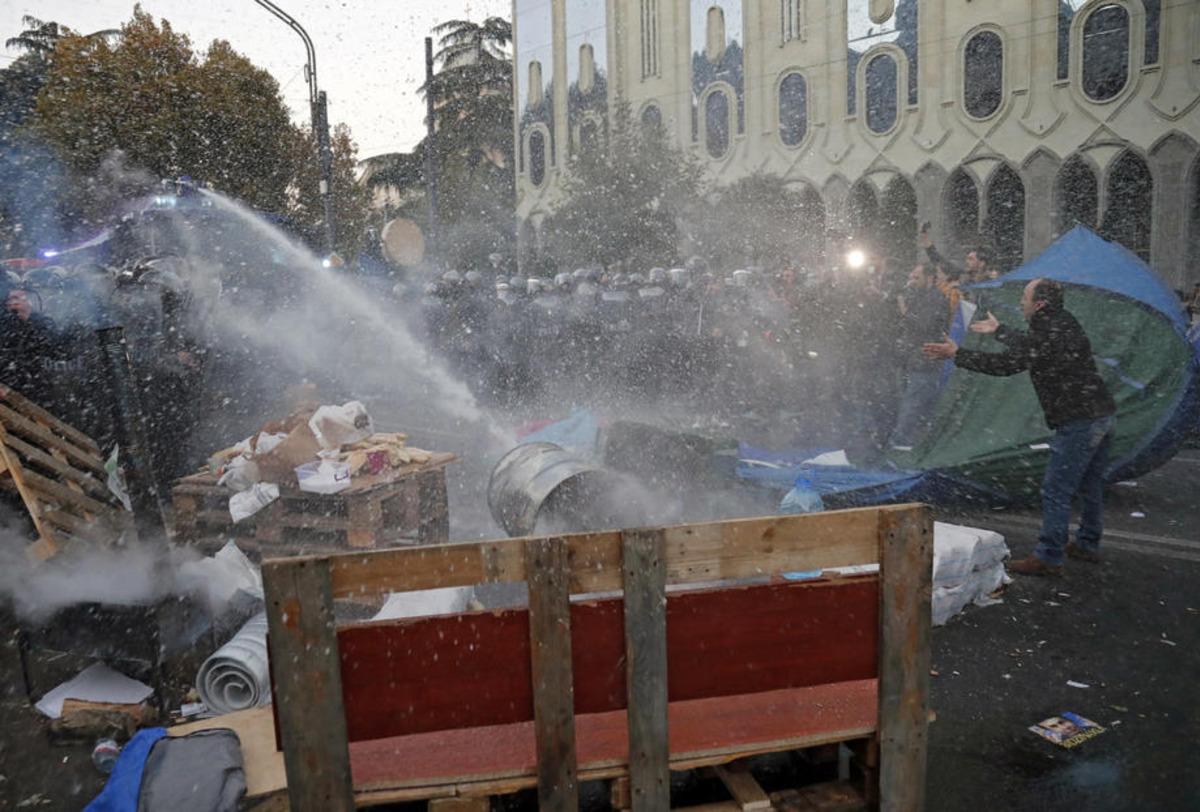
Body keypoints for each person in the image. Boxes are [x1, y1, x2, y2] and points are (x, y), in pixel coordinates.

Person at [923, 279, 1116, 576]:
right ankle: (1087, 543)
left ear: (1039, 304)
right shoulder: (1061, 322)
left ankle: (1049, 557)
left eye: (1024, 297)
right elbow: (1030, 347)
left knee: (1056, 489)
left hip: (1080, 419)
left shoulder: (1048, 331)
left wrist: (957, 354)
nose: (1020, 302)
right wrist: (1000, 332)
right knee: (1089, 484)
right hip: (1100, 412)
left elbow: (1008, 364)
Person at [890, 264, 949, 449]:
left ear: (929, 278)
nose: (912, 281)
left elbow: (925, 325)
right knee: (917, 407)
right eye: (911, 277)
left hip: (926, 362)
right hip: (911, 360)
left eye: (917, 277)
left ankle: (900, 445)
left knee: (912, 407)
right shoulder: (917, 296)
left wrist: (904, 310)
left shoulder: (937, 298)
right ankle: (914, 445)